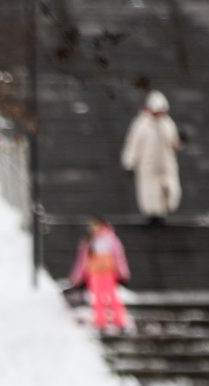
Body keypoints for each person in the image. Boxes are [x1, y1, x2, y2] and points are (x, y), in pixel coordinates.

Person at [121, 90, 182, 221]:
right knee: (150, 194)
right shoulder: (141, 125)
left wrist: (180, 140)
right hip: (148, 167)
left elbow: (174, 142)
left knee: (170, 190)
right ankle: (153, 216)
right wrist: (129, 163)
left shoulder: (168, 124)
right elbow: (133, 144)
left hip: (166, 166)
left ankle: (165, 211)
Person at [68, 218, 131, 334]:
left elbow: (119, 257)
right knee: (97, 298)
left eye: (96, 225)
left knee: (113, 297)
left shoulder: (111, 239)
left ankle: (120, 321)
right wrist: (77, 276)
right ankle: (100, 322)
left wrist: (123, 272)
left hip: (108, 273)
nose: (94, 228)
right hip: (94, 273)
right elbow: (82, 260)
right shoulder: (88, 240)